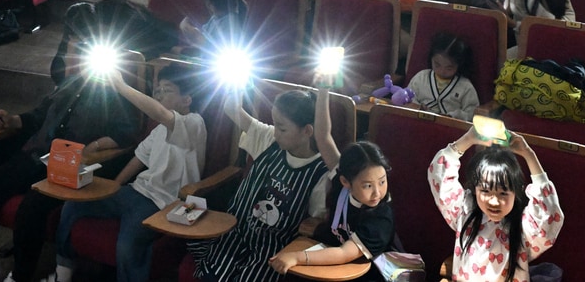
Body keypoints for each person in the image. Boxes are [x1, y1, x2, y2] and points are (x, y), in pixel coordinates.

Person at [0, 67, 139, 282]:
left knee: (31, 208)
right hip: (35, 154)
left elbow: (126, 135)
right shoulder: (69, 84)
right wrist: (10, 120)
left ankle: (20, 276)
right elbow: (38, 116)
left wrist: (92, 147)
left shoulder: (116, 94)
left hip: (69, 163)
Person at [54, 63, 207, 282]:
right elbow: (138, 158)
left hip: (162, 203)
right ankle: (63, 273)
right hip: (135, 192)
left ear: (187, 100)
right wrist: (113, 187)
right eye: (159, 90)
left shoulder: (194, 124)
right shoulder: (160, 129)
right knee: (72, 204)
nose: (160, 95)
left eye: (168, 90)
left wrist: (121, 86)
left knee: (127, 246)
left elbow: (161, 113)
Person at [188, 89, 331, 282]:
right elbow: (232, 108)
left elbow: (317, 220)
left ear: (307, 131)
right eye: (274, 124)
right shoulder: (268, 139)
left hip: (272, 249)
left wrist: (315, 224)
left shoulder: (321, 173)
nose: (276, 133)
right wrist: (238, 82)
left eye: (282, 128)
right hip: (235, 234)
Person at [269, 90, 394, 278]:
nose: (377, 192)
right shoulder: (341, 179)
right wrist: (323, 89)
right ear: (345, 181)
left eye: (382, 181)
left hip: (360, 272)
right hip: (331, 258)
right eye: (368, 185)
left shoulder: (380, 217)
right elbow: (322, 135)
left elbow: (344, 253)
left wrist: (297, 257)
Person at [430, 126, 563, 281]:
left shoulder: (524, 228)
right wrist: (467, 139)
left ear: (516, 192)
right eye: (486, 191)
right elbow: (439, 176)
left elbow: (550, 215)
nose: (494, 201)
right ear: (474, 189)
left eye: (503, 193)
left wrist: (528, 154)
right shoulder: (464, 212)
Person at [407, 32, 479, 120]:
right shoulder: (421, 78)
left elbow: (472, 112)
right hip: (419, 121)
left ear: (459, 65)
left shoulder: (465, 87)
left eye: (449, 68)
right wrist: (417, 107)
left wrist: (454, 116)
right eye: (437, 65)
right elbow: (407, 97)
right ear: (431, 58)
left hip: (450, 127)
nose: (442, 71)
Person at [179, 0, 248, 53]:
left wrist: (195, 35)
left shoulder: (230, 24)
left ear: (209, 3)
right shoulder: (217, 18)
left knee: (174, 50)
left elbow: (215, 50)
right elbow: (205, 36)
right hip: (204, 56)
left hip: (213, 60)